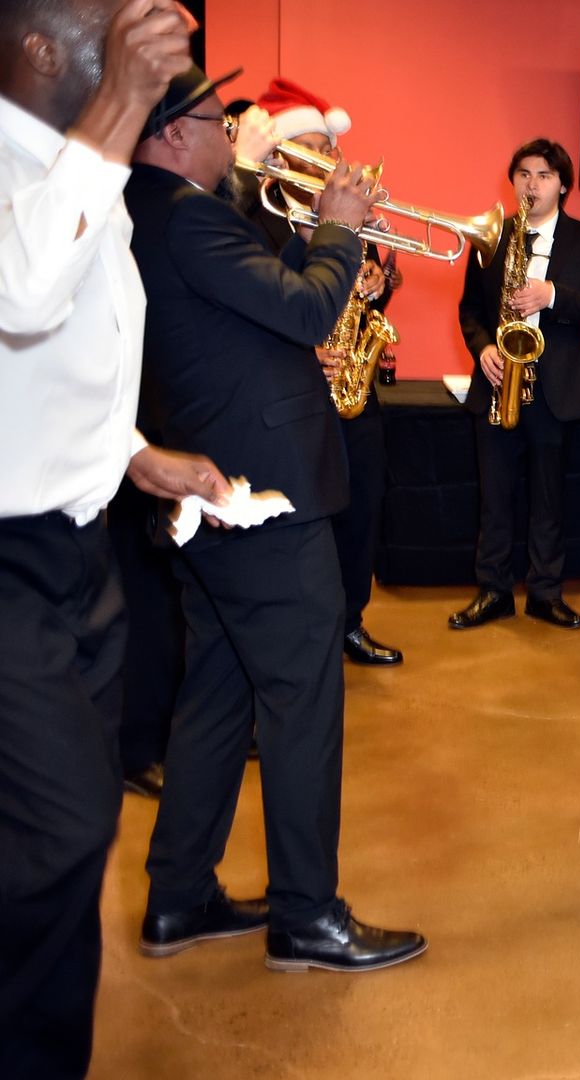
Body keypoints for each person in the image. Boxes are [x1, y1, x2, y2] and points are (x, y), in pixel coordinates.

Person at [125, 64, 427, 971]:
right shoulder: (185, 215)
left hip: (220, 496)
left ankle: (179, 897)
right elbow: (302, 314)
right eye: (222, 121)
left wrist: (320, 236)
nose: (238, 136)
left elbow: (261, 306)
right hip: (263, 499)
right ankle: (307, 914)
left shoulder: (159, 213)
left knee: (218, 698)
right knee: (302, 703)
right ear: (175, 134)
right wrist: (337, 225)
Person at [0, 3, 219, 1071]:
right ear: (37, 47)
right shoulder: (37, 161)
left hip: (76, 549)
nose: (126, 23)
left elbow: (63, 354)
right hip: (6, 561)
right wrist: (125, 102)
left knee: (60, 857)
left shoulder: (77, 165)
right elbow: (24, 293)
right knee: (59, 833)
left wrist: (135, 452)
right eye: (97, 16)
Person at [247, 77, 404, 665]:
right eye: (310, 147)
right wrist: (301, 352)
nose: (325, 160)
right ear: (279, 152)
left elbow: (355, 297)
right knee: (293, 523)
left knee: (360, 507)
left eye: (327, 148)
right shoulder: (256, 216)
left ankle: (350, 620)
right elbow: (253, 307)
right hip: (289, 396)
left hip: (352, 391)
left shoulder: (343, 216)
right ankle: (298, 639)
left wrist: (377, 285)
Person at [450, 138, 580, 631]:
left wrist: (552, 296)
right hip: (498, 378)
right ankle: (493, 591)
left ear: (563, 184)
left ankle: (545, 592)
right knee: (494, 496)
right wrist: (482, 348)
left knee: (549, 499)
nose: (532, 184)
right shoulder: (493, 236)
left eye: (544, 175)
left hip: (555, 389)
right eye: (523, 174)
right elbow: (470, 310)